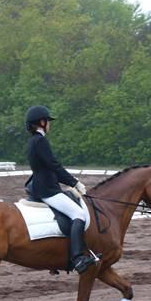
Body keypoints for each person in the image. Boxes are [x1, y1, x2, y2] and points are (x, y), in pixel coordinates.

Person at [24, 105, 97, 274]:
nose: (50, 124)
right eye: (48, 121)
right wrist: (74, 183)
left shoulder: (32, 141)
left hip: (41, 186)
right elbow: (54, 166)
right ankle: (78, 257)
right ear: (42, 122)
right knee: (79, 214)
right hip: (48, 190)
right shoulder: (40, 141)